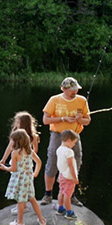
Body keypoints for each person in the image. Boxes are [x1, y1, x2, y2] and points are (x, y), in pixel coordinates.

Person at [39, 77, 91, 206]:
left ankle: (70, 194)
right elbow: (46, 120)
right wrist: (63, 119)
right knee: (52, 161)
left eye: (76, 89)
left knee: (76, 161)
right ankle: (48, 194)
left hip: (74, 136)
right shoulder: (54, 100)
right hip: (58, 135)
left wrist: (80, 120)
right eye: (72, 90)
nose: (75, 92)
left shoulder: (82, 100)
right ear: (64, 89)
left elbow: (87, 120)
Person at [0, 129, 47, 225]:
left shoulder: (15, 153)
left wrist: (4, 168)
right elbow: (39, 162)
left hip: (20, 180)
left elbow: (13, 168)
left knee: (21, 201)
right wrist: (35, 173)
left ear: (16, 141)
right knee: (32, 199)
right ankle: (42, 220)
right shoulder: (30, 150)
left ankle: (20, 222)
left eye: (12, 140)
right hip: (28, 179)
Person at [55, 130, 80, 220]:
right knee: (67, 195)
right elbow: (71, 166)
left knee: (61, 192)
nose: (73, 145)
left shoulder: (59, 149)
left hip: (62, 175)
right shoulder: (69, 152)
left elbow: (60, 163)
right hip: (69, 177)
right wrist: (75, 177)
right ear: (69, 140)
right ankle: (69, 212)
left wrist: (60, 173)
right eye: (74, 143)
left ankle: (60, 208)